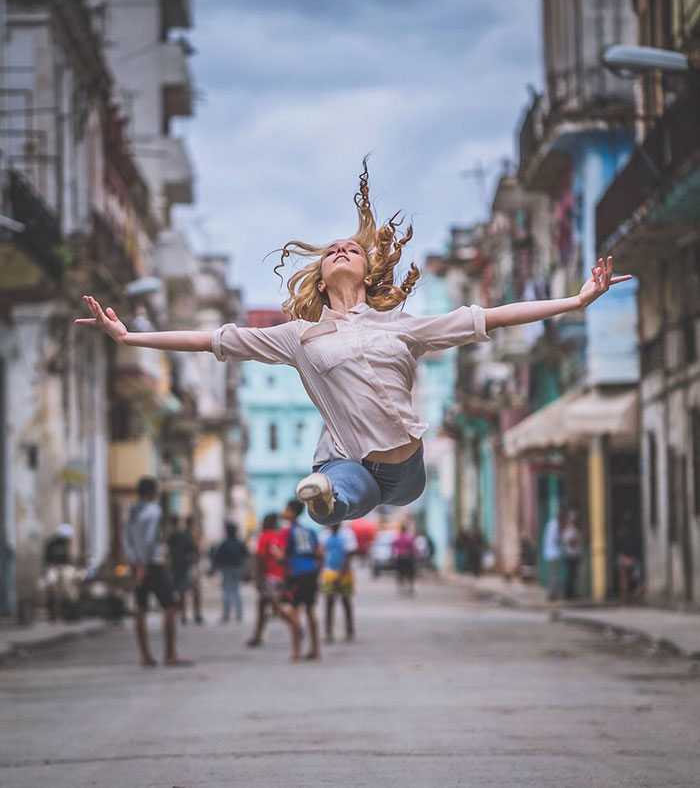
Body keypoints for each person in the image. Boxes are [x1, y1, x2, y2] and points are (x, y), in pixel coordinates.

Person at [77, 160, 631, 526]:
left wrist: (575, 301)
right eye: (333, 250)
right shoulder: (297, 337)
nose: (342, 248)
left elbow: (492, 316)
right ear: (320, 279)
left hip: (406, 470)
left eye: (353, 248)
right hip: (351, 462)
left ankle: (330, 495)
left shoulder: (404, 327)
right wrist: (129, 335)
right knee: (338, 489)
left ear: (367, 273)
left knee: (378, 486)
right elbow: (211, 340)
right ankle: (324, 500)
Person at [123, 476, 188, 667]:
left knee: (140, 609)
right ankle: (169, 653)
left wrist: (135, 561)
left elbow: (126, 538)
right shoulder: (154, 511)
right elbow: (150, 538)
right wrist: (144, 564)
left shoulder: (132, 511)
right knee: (170, 607)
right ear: (152, 491)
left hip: (137, 563)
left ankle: (145, 656)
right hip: (153, 563)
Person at [279, 499, 322, 660]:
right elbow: (319, 553)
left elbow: (282, 556)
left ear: (291, 512)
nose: (283, 512)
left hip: (295, 573)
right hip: (310, 572)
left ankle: (296, 651)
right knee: (310, 610)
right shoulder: (310, 531)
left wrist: (279, 559)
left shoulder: (287, 532)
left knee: (295, 611)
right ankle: (315, 649)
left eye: (286, 509)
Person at [247, 513, 293, 648]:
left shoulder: (264, 537)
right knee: (263, 605)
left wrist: (258, 577)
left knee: (275, 606)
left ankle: (295, 625)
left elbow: (260, 558)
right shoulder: (279, 536)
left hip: (269, 576)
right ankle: (257, 635)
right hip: (280, 575)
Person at [320, 523, 357, 642]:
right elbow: (321, 553)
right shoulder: (324, 534)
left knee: (345, 600)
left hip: (345, 573)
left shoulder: (347, 534)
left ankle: (350, 628)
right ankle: (328, 630)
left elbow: (349, 555)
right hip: (329, 571)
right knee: (329, 601)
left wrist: (342, 573)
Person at [210, 521, 249, 623]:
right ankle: (238, 613)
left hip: (227, 568)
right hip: (236, 568)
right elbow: (245, 553)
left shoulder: (224, 544)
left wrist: (214, 568)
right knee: (236, 590)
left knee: (227, 591)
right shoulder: (238, 543)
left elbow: (217, 557)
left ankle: (226, 614)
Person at [167, 515, 198, 626]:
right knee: (192, 590)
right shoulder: (185, 535)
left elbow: (168, 551)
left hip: (176, 566)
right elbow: (193, 549)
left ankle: (184, 615)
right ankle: (195, 613)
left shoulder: (171, 536)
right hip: (186, 566)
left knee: (181, 591)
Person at [615, 509, 643, 605]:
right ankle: (630, 597)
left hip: (625, 557)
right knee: (635, 579)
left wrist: (622, 556)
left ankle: (626, 597)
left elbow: (617, 544)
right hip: (631, 557)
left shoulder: (621, 530)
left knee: (625, 578)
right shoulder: (635, 531)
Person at [184, 515, 204, 624]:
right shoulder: (192, 533)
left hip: (187, 564)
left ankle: (185, 614)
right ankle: (196, 613)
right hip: (192, 565)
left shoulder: (185, 533)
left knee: (185, 590)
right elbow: (198, 548)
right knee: (195, 590)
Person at [561, 511, 584, 600]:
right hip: (570, 555)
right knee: (570, 575)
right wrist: (578, 538)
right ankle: (568, 594)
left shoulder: (575, 530)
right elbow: (569, 542)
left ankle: (573, 593)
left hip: (576, 555)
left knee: (574, 575)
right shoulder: (568, 530)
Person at [542, 510, 564, 601]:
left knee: (552, 576)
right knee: (554, 576)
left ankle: (552, 594)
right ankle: (552, 595)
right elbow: (556, 539)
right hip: (553, 554)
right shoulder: (555, 525)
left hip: (549, 553)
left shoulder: (551, 524)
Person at [392, 524, 417, 595]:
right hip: (408, 557)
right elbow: (413, 548)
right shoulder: (409, 537)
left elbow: (393, 546)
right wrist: (415, 557)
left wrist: (393, 555)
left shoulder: (398, 537)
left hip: (400, 557)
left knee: (400, 573)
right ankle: (410, 588)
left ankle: (401, 588)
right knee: (410, 573)